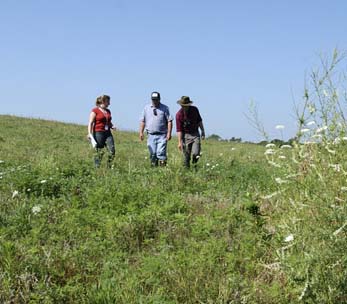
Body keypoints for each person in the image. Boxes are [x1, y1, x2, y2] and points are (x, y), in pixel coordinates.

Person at [139, 91, 173, 166]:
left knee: (161, 153)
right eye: (153, 99)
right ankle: (154, 169)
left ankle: (162, 169)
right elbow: (142, 121)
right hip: (150, 134)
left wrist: (169, 133)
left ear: (159, 99)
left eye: (156, 99)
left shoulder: (165, 108)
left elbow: (169, 121)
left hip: (162, 135)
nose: (155, 101)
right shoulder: (146, 108)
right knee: (153, 153)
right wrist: (141, 132)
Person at [176, 96, 205, 168]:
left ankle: (195, 164)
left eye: (186, 106)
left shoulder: (195, 110)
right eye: (183, 106)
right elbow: (179, 130)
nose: (184, 107)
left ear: (189, 104)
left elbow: (199, 120)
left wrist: (202, 131)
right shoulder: (178, 115)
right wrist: (179, 142)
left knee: (196, 153)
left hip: (195, 134)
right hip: (185, 135)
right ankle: (187, 170)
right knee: (186, 155)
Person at [87, 95, 115, 168]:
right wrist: (89, 133)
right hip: (98, 132)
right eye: (108, 101)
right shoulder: (95, 110)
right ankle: (97, 167)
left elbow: (108, 121)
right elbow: (90, 122)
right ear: (103, 101)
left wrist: (112, 126)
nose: (109, 103)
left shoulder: (108, 111)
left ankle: (109, 167)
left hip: (108, 133)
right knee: (99, 151)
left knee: (112, 150)